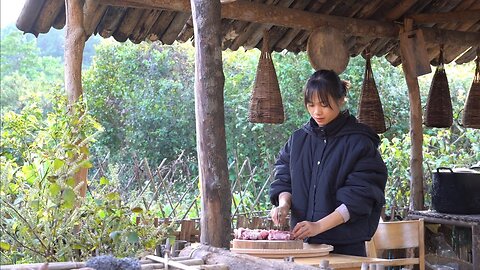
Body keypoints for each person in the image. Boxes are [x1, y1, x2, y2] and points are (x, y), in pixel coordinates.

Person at [269, 69, 387, 257]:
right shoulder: (298, 140)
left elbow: (359, 198)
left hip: (345, 248)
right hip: (302, 247)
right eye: (311, 104)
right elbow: (284, 178)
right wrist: (283, 205)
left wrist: (318, 226)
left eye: (324, 104)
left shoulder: (360, 143)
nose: (317, 111)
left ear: (340, 100)